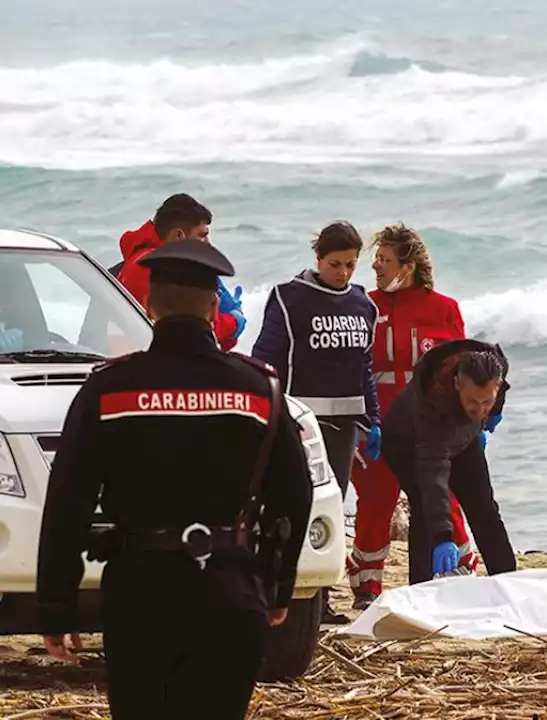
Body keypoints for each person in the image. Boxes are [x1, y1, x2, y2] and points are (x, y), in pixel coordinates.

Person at [35, 239, 313, 718]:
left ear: (148, 304)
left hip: (140, 596)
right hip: (232, 593)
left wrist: (58, 604)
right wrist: (277, 584)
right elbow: (295, 493)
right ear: (212, 308)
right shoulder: (260, 388)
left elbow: (68, 501)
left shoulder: (109, 389)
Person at [346, 222, 490, 608]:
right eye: (375, 259)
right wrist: (358, 421)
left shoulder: (444, 309)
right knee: (376, 500)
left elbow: (468, 369)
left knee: (442, 496)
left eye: (385, 260)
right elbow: (348, 366)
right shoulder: (363, 305)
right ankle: (366, 587)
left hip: (432, 426)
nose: (375, 266)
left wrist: (477, 422)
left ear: (407, 266)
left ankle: (460, 573)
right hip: (376, 423)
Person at [251, 220, 381, 624]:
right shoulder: (290, 299)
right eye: (335, 264)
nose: (343, 273)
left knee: (331, 508)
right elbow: (266, 357)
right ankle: (285, 595)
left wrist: (373, 419)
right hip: (299, 424)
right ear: (318, 258)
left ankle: (320, 601)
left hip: (343, 425)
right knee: (294, 508)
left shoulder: (364, 305)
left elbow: (365, 367)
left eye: (350, 265)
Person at [381, 338, 517, 582]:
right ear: (456, 384)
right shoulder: (432, 406)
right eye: (472, 401)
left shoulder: (495, 367)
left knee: (483, 507)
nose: (479, 409)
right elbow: (433, 478)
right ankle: (420, 589)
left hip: (464, 438)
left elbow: (500, 389)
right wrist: (444, 537)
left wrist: (494, 412)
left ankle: (508, 580)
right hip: (407, 445)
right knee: (425, 508)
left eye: (486, 401)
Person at [116, 193, 247, 351]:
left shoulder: (143, 260)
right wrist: (233, 322)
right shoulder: (153, 267)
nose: (208, 243)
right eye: (202, 235)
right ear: (179, 235)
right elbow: (191, 328)